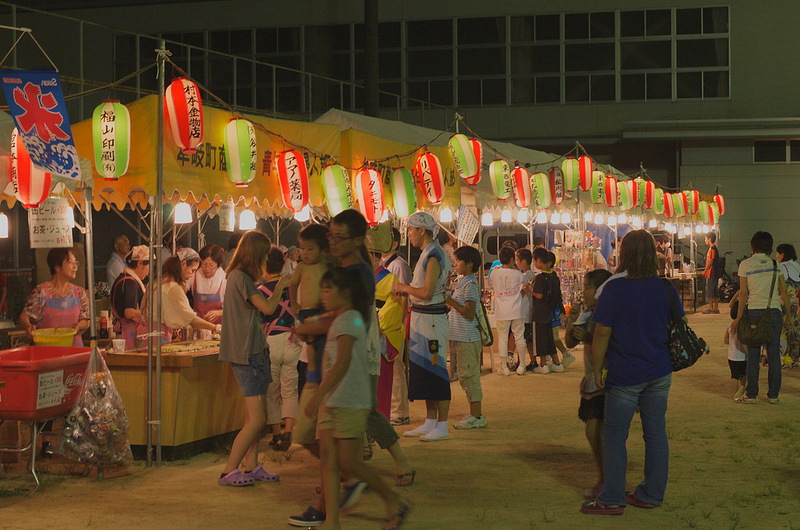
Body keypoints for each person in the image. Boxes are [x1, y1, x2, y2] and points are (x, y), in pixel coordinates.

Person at [580, 229, 682, 516]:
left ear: (624, 255)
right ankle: (652, 493)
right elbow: (677, 323)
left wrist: (597, 369)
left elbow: (601, 334)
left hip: (625, 373)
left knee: (614, 435)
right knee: (655, 434)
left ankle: (612, 497)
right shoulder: (665, 287)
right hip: (659, 371)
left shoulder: (614, 289)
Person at [304, 268, 413, 530]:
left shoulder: (350, 319)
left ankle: (394, 501)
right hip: (335, 400)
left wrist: (318, 395)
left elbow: (342, 364)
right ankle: (332, 521)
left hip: (349, 401)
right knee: (331, 461)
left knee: (350, 463)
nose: (324, 295)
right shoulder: (341, 317)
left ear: (346, 293)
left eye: (329, 290)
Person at [217, 230, 290, 487]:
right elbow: (269, 309)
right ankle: (229, 471)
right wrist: (281, 285)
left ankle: (251, 466)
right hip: (248, 353)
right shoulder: (242, 278)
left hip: (252, 351)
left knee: (253, 418)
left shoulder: (237, 276)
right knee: (258, 419)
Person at [394, 212, 452, 442]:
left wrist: (404, 288)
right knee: (426, 370)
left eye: (411, 229)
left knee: (436, 370)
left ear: (421, 230)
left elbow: (427, 292)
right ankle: (430, 421)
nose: (408, 234)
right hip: (424, 321)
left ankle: (443, 424)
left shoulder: (434, 256)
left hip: (432, 322)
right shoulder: (430, 253)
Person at [565, 268, 612, 499]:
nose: (583, 292)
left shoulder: (607, 313)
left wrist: (589, 339)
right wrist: (572, 320)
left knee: (596, 430)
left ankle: (607, 479)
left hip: (604, 379)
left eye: (587, 287)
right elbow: (570, 343)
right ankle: (605, 478)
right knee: (595, 431)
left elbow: (609, 345)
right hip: (592, 380)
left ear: (600, 290)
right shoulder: (586, 312)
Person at [731, 231, 793, 404]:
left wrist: (738, 318)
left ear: (753, 245)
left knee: (753, 354)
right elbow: (784, 293)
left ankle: (752, 394)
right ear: (770, 248)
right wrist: (788, 316)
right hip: (773, 311)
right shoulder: (775, 264)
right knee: (774, 354)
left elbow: (743, 294)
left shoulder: (745, 264)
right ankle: (773, 395)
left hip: (754, 313)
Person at [258, 247, 301, 452]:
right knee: (290, 390)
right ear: (283, 264)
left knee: (272, 392)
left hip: (271, 343)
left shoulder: (261, 290)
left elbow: (260, 320)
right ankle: (289, 430)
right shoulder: (294, 286)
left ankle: (276, 434)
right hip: (293, 340)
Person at [446, 245, 487, 429]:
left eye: (458, 261)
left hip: (468, 338)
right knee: (465, 376)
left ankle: (476, 416)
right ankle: (474, 414)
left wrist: (449, 300)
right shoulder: (464, 283)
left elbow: (470, 313)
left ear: (470, 264)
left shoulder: (470, 285)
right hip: (462, 337)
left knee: (470, 376)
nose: (455, 265)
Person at [289, 223, 331, 398]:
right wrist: (293, 304)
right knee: (310, 343)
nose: (304, 253)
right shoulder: (301, 267)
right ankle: (312, 375)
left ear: (323, 251)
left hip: (322, 311)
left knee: (317, 344)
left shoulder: (326, 266)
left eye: (310, 249)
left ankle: (315, 375)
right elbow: (292, 285)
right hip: (305, 311)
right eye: (302, 248)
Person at [20, 248, 90, 346]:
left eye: (76, 262)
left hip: (74, 350)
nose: (75, 267)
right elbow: (24, 315)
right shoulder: (41, 292)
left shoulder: (79, 292)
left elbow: (85, 320)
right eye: (70, 262)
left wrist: (78, 326)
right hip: (46, 350)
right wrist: (29, 326)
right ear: (57, 267)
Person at [141, 256, 218, 342]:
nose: (192, 275)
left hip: (145, 334)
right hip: (158, 337)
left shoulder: (157, 280)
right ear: (183, 264)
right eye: (192, 270)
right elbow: (191, 319)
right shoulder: (172, 287)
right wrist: (215, 327)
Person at [381, 227, 412, 426]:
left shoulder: (398, 265)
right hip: (384, 323)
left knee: (396, 367)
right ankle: (391, 411)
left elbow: (404, 296)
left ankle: (399, 412)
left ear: (393, 243)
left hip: (394, 325)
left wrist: (400, 322)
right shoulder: (383, 263)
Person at [371, 251, 405, 421]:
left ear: (376, 257)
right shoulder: (362, 278)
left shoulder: (390, 278)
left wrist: (375, 326)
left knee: (386, 381)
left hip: (382, 333)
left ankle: (388, 417)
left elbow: (395, 305)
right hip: (369, 330)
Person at [489, 246, 527, 376]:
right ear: (511, 259)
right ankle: (522, 365)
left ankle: (503, 367)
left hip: (502, 311)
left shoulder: (494, 273)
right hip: (517, 310)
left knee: (503, 338)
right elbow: (526, 282)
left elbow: (490, 284)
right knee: (520, 337)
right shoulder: (517, 273)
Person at [531, 247, 564, 374]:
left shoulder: (540, 277)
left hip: (540, 313)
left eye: (534, 261)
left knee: (541, 339)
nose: (534, 264)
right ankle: (557, 363)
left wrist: (530, 288)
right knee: (550, 338)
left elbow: (539, 295)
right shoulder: (554, 276)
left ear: (539, 261)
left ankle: (543, 364)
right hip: (550, 312)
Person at [110, 245, 150, 350]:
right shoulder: (130, 282)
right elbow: (129, 312)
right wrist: (149, 313)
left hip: (124, 332)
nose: (148, 271)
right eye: (148, 266)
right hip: (127, 334)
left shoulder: (124, 278)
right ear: (140, 263)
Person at [776, 243, 800, 368]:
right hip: (798, 305)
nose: (776, 256)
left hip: (785, 306)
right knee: (796, 331)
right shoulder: (797, 267)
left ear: (782, 254)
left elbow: (779, 288)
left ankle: (785, 358)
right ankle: (796, 358)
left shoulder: (782, 267)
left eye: (777, 253)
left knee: (783, 332)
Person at [191, 244, 227, 324]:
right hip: (198, 325)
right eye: (204, 264)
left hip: (218, 328)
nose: (207, 269)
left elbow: (232, 309)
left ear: (218, 264)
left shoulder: (224, 279)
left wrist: (218, 313)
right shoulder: (194, 274)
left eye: (211, 265)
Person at [515, 248, 537, 372]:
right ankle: (528, 361)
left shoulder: (525, 276)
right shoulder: (530, 274)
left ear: (523, 261)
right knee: (525, 338)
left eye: (517, 260)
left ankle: (523, 361)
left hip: (524, 312)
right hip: (527, 311)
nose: (516, 263)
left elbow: (522, 294)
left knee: (523, 338)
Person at [724, 299, 747, 400]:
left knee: (734, 376)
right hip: (744, 356)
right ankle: (742, 388)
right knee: (743, 374)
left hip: (733, 356)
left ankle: (735, 393)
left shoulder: (729, 327)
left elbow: (726, 341)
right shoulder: (746, 327)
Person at [703, 233, 721, 314]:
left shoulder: (712, 249)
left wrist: (705, 270)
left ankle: (711, 308)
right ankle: (716, 308)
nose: (705, 240)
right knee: (715, 290)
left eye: (706, 238)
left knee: (710, 290)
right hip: (715, 273)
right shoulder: (714, 248)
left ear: (710, 239)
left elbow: (711, 261)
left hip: (711, 273)